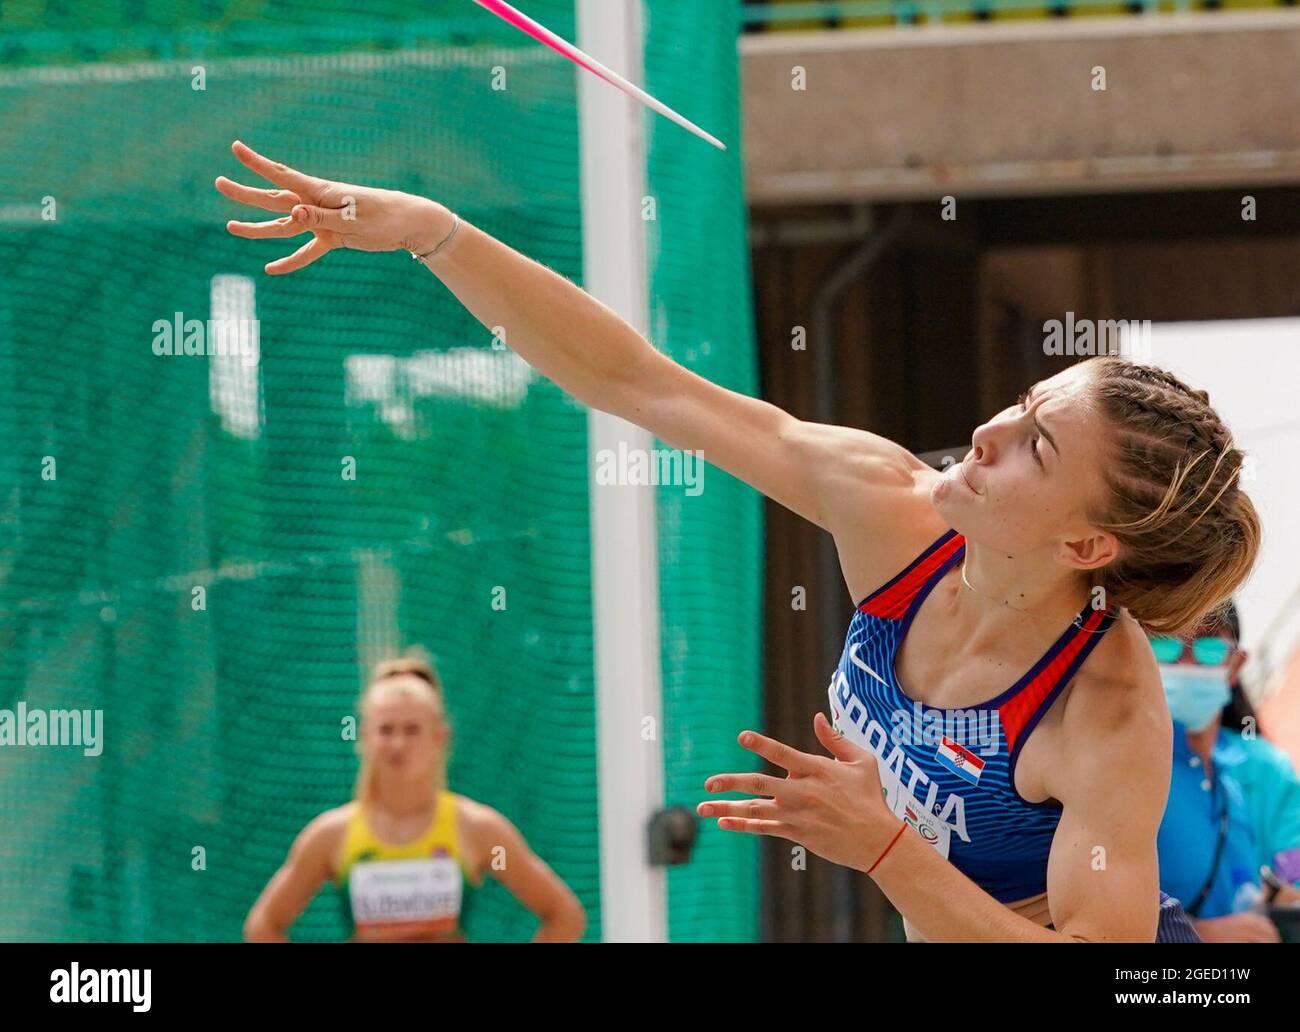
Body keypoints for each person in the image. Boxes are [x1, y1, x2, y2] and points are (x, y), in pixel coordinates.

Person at [215, 141, 1259, 941]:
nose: (986, 432)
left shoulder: (1106, 706)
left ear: (1086, 547)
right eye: (1024, 401)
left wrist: (888, 848)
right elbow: (639, 383)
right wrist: (437, 233)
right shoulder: (895, 506)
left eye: (1035, 442)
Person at [243, 656, 585, 942]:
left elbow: (562, 915)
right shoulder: (331, 835)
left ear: (439, 737)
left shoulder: (478, 830)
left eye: (412, 730)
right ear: (364, 737)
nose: (398, 744)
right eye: (386, 730)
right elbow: (264, 925)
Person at [1153, 602, 1300, 943]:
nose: (1186, 664)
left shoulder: (1237, 771)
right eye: (1165, 646)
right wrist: (1191, 934)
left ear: (1235, 665)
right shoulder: (1127, 766)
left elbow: (1290, 864)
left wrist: (1283, 893)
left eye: (1208, 649)